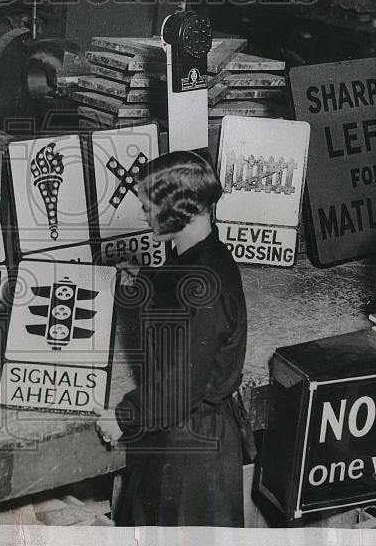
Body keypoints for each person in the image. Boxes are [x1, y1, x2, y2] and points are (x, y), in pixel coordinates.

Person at [94, 150, 251, 526]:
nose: (144, 214)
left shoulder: (202, 288)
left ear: (178, 209)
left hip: (191, 450)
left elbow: (180, 386)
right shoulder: (206, 256)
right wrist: (147, 278)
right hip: (184, 439)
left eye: (149, 206)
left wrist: (122, 416)